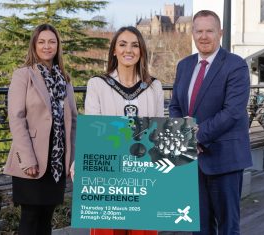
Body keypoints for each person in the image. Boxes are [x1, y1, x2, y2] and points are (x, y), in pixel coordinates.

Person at [169, 10, 252, 235]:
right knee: (199, 227)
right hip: (192, 161)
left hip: (225, 157)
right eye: (199, 31)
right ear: (192, 33)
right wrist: (184, 134)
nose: (204, 36)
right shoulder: (184, 65)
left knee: (228, 227)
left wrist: (195, 136)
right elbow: (175, 105)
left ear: (220, 33)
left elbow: (232, 112)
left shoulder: (236, 65)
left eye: (209, 31)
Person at [85, 26, 164, 235]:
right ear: (114, 50)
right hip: (108, 173)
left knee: (143, 230)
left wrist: (182, 129)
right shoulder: (97, 85)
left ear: (141, 51)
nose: (128, 50)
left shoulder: (154, 86)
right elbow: (94, 132)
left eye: (135, 45)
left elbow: (158, 132)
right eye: (122, 44)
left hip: (143, 172)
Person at [4, 23, 77, 235]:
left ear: (58, 46)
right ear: (34, 45)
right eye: (42, 41)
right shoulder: (23, 75)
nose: (47, 46)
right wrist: (27, 159)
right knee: (30, 218)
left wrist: (73, 159)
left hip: (57, 161)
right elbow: (16, 119)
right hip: (31, 159)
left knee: (47, 218)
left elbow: (73, 120)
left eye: (52, 42)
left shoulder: (65, 79)